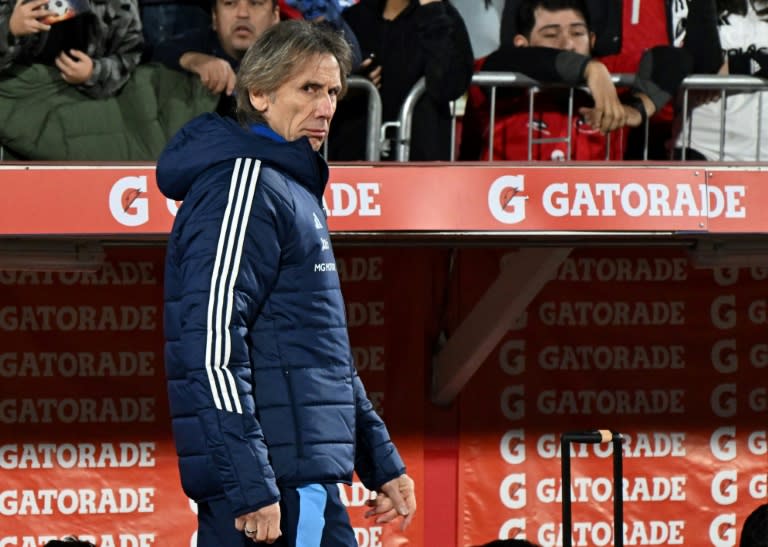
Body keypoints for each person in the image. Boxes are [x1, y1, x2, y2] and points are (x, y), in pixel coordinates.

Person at [156, 19, 416, 546]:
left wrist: (379, 462)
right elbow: (210, 346)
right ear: (259, 93)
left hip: (300, 479)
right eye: (309, 89)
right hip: (274, 489)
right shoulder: (243, 184)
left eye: (334, 91)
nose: (326, 107)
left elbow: (319, 354)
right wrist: (251, 484)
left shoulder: (290, 185)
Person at [459, 0, 662, 161]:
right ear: (522, 44)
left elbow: (672, 58)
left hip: (594, 210)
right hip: (512, 207)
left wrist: (638, 108)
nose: (568, 44)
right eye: (551, 34)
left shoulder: (609, 74)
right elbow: (499, 61)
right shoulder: (502, 82)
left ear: (592, 40)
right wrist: (587, 69)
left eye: (577, 33)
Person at [327, 0, 474, 160]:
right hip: (354, 161)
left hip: (420, 163)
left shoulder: (443, 18)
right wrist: (351, 85)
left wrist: (432, 12)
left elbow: (449, 85)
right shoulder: (353, 18)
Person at [670, 0, 768, 161]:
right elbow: (700, 67)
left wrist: (738, 65)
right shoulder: (685, 5)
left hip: (763, 155)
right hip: (703, 150)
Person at [151, 0, 280, 115]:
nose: (243, 13)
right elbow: (154, 54)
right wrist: (193, 60)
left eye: (255, 3)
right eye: (230, 3)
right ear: (214, 16)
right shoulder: (198, 43)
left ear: (275, 16)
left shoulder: (294, 57)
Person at [0, 0, 143, 98]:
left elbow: (130, 56)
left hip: (79, 94)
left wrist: (91, 73)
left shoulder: (122, 6)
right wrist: (11, 28)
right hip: (22, 82)